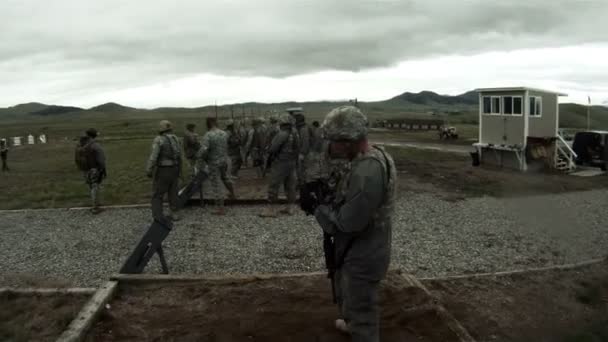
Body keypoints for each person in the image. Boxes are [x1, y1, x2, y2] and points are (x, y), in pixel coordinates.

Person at [313, 106, 396, 342]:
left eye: (334, 141)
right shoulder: (371, 157)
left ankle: (362, 333)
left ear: (348, 141)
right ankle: (352, 325)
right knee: (350, 295)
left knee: (362, 308)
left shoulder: (368, 171)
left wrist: (318, 208)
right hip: (363, 246)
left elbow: (347, 224)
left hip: (363, 251)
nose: (330, 147)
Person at [260, 113, 299, 217]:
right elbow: (297, 148)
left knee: (274, 185)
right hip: (292, 162)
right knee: (290, 185)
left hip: (281, 162)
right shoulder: (294, 133)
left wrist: (267, 149)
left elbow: (273, 148)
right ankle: (290, 207)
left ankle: (271, 210)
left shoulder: (282, 134)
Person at [196, 117, 236, 215]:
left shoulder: (208, 135)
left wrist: (199, 157)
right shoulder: (224, 133)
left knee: (216, 184)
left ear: (208, 123)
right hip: (224, 161)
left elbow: (204, 150)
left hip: (214, 162)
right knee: (225, 178)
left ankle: (220, 208)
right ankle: (232, 194)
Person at [146, 120, 182, 222]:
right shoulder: (176, 139)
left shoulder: (159, 140)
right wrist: (179, 170)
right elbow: (179, 156)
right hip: (175, 168)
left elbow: (154, 156)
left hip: (163, 169)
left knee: (157, 194)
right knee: (173, 192)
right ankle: (175, 214)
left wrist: (149, 169)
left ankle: (157, 216)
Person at [80, 128, 106, 214]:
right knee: (95, 187)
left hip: (85, 169)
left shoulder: (81, 144)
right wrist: (102, 169)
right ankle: (95, 207)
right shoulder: (95, 145)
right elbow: (101, 159)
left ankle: (94, 204)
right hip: (94, 169)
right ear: (94, 135)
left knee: (91, 187)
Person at [183, 123, 204, 205]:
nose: (194, 129)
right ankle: (193, 183)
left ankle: (193, 181)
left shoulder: (188, 134)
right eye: (193, 127)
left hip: (191, 153)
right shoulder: (189, 134)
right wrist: (196, 138)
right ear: (191, 128)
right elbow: (193, 143)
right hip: (191, 153)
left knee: (193, 167)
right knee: (192, 167)